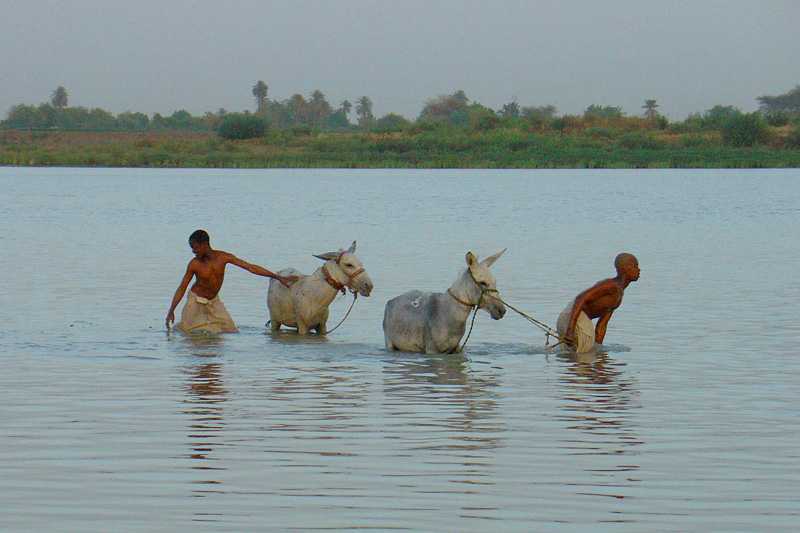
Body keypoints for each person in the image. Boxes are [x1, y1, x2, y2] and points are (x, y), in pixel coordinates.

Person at [166, 230, 296, 334]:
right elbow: (182, 287)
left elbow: (250, 267)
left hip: (214, 301)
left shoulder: (223, 258)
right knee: (187, 333)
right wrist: (171, 310)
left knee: (230, 331)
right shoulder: (194, 264)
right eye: (192, 248)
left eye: (195, 248)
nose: (193, 251)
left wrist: (277, 277)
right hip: (195, 301)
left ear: (205, 244)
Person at [556, 253, 640, 352]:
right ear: (626, 268)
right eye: (635, 266)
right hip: (572, 318)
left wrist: (598, 353)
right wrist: (570, 330)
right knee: (584, 359)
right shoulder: (611, 285)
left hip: (574, 320)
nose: (639, 270)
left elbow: (602, 326)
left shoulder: (618, 296)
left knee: (579, 355)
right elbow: (580, 299)